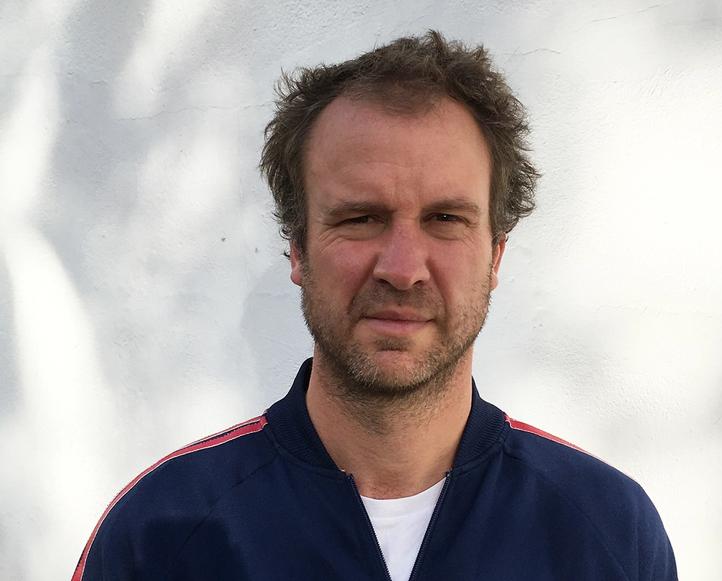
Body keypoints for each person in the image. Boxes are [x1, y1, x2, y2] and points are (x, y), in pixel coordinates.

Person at [72, 31, 677, 581]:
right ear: (298, 247)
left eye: (445, 219)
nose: (403, 268)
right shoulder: (159, 535)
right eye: (360, 218)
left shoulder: (607, 532)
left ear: (495, 255)